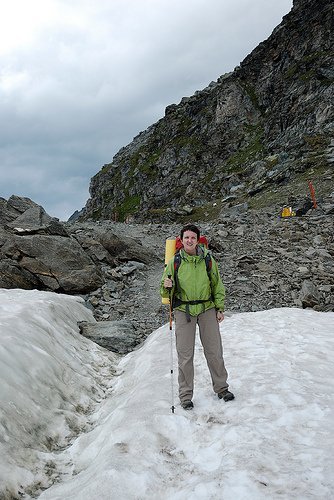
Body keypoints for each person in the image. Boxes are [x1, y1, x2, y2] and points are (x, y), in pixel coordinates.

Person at [160, 224, 234, 410]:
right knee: (185, 356)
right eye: (186, 238)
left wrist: (220, 308)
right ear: (181, 240)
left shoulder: (208, 259)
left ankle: (222, 388)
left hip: (207, 308)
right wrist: (166, 285)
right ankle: (185, 396)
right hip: (183, 310)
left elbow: (217, 284)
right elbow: (164, 288)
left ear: (198, 240)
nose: (190, 241)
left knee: (214, 351)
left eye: (193, 238)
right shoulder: (174, 261)